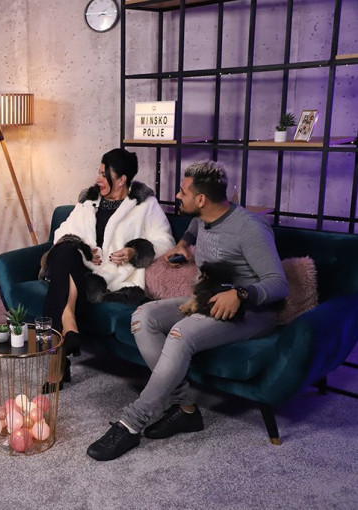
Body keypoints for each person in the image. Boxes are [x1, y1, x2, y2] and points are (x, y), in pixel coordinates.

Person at [86, 160, 289, 461]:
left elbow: (279, 284)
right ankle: (185, 409)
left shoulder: (250, 228)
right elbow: (194, 229)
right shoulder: (204, 217)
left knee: (180, 334)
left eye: (182, 192)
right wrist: (182, 245)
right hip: (208, 299)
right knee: (143, 317)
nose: (177, 196)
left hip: (251, 313)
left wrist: (241, 294)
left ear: (201, 199)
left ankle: (131, 423)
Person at [41, 148, 175, 390]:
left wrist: (134, 251)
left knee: (61, 282)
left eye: (104, 174)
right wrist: (83, 248)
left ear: (121, 179)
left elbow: (166, 241)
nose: (98, 179)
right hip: (82, 267)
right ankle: (68, 322)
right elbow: (62, 232)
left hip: (115, 276)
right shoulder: (88, 199)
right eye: (99, 172)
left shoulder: (145, 204)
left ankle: (58, 357)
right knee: (64, 250)